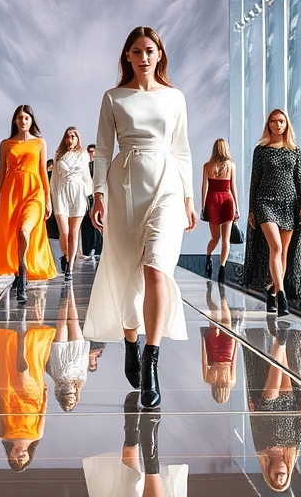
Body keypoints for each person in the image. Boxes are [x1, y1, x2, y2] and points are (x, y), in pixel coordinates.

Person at [85, 26, 196, 410]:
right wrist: (98, 193)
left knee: (156, 269)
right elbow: (101, 149)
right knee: (128, 270)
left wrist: (188, 196)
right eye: (137, 51)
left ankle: (151, 358)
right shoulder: (114, 97)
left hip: (166, 184)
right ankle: (130, 341)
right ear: (127, 56)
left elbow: (181, 151)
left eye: (150, 50)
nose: (144, 56)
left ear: (160, 54)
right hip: (125, 187)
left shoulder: (175, 97)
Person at [0, 105, 57, 300]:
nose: (23, 121)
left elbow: (42, 172)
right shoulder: (6, 144)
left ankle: (22, 275)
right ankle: (18, 271)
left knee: (25, 230)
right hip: (11, 193)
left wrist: (48, 199)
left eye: (26, 118)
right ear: (15, 121)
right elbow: (0, 173)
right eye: (20, 118)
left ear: (31, 121)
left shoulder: (40, 142)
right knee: (15, 234)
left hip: (34, 192)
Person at [242, 109, 301, 316]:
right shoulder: (260, 150)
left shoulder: (294, 150)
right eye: (273, 121)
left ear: (286, 124)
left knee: (284, 252)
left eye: (280, 121)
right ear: (268, 124)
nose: (277, 125)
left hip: (289, 203)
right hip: (265, 202)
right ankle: (282, 296)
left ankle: (272, 290)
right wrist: (252, 209)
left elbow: (299, 180)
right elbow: (255, 181)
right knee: (276, 247)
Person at [0, 320, 57, 472]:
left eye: (15, 459)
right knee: (24, 372)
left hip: (9, 396)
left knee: (9, 364)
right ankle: (23, 336)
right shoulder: (36, 436)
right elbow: (42, 413)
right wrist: (45, 394)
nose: (19, 457)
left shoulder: (3, 435)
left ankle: (16, 336)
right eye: (23, 459)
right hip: (33, 398)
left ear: (10, 455)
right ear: (29, 456)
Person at [244, 324, 301, 492]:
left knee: (275, 372)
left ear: (269, 473)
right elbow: (299, 432)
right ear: (287, 472)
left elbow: (255, 429)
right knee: (284, 369)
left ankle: (281, 338)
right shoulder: (292, 452)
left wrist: (252, 411)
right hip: (288, 412)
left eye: (276, 477)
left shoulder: (262, 452)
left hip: (267, 411)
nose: (280, 475)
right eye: (283, 477)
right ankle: (281, 339)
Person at [51, 127, 94, 280]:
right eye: (68, 136)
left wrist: (90, 196)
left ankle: (69, 267)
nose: (70, 139)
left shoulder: (83, 156)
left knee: (74, 233)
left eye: (73, 136)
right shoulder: (58, 155)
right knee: (64, 232)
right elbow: (54, 179)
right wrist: (52, 197)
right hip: (61, 193)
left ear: (77, 139)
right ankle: (65, 255)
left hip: (78, 194)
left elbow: (86, 177)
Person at [46, 284, 90, 411]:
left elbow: (50, 367)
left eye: (67, 397)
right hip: (76, 351)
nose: (70, 397)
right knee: (74, 322)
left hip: (60, 354)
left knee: (61, 322)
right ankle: (70, 292)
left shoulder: (58, 382)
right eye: (72, 398)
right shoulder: (81, 382)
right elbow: (84, 363)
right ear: (76, 396)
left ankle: (65, 296)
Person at [200, 138, 239, 281]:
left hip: (213, 200)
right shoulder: (231, 165)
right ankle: (222, 268)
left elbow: (204, 186)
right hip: (227, 200)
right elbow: (233, 187)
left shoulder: (207, 166)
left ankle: (208, 259)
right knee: (226, 240)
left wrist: (203, 205)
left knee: (214, 238)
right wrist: (237, 208)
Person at [201, 280, 237, 403]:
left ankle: (223, 297)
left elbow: (234, 361)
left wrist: (237, 342)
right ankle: (209, 292)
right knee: (213, 314)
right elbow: (204, 360)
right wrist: (203, 340)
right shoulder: (208, 379)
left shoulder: (231, 381)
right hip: (212, 351)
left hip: (227, 352)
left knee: (226, 320)